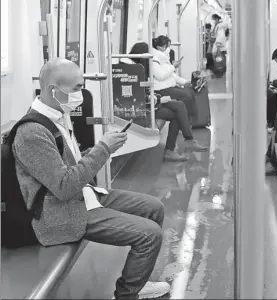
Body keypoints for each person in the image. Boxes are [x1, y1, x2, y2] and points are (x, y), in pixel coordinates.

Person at [13, 58, 171, 299]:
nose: (81, 94)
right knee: (150, 234)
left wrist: (101, 147)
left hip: (81, 196)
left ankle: (138, 280)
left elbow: (69, 167)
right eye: (76, 88)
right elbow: (64, 186)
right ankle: (127, 294)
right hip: (57, 213)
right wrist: (103, 150)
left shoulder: (57, 116)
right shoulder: (32, 132)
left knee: (154, 208)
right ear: (53, 91)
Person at [129, 42, 208, 160]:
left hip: (152, 101)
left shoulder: (141, 69)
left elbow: (146, 92)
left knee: (179, 106)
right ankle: (179, 145)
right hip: (145, 106)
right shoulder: (135, 72)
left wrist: (157, 97)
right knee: (178, 109)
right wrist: (159, 98)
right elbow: (138, 96)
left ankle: (184, 142)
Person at [150, 36, 198, 121]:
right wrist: (173, 67)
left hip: (170, 86)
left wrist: (185, 82)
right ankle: (186, 120)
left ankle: (188, 119)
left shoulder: (164, 58)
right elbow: (160, 76)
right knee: (186, 96)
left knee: (190, 92)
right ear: (159, 47)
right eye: (167, 46)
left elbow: (172, 76)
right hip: (162, 89)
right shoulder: (154, 59)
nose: (169, 49)